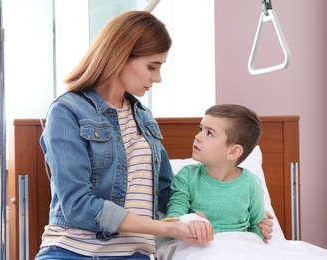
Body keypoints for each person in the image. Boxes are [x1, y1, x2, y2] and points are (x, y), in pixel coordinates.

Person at [34, 11, 273, 260]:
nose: (157, 78)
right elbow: (77, 205)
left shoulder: (144, 117)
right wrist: (164, 228)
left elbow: (169, 193)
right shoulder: (68, 110)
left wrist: (240, 222)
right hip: (71, 251)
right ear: (120, 56)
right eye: (152, 66)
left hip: (134, 254)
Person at [166, 104, 268, 241]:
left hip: (239, 247)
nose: (197, 136)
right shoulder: (187, 177)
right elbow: (174, 218)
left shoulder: (251, 183)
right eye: (200, 129)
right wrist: (191, 221)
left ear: (233, 152)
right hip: (199, 246)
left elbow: (259, 229)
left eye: (209, 133)